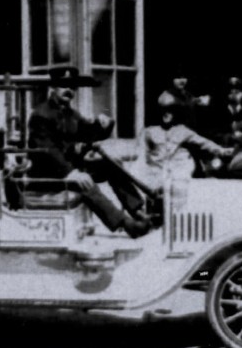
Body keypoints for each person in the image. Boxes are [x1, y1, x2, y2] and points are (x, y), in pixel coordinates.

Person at [25, 67, 149, 236]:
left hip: (70, 169)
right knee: (85, 182)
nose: (69, 90)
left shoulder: (71, 114)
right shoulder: (41, 115)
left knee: (109, 166)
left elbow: (88, 133)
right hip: (48, 176)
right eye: (63, 85)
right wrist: (70, 172)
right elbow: (48, 150)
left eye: (72, 86)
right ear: (53, 87)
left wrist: (103, 125)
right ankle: (125, 224)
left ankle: (137, 211)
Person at [140, 91, 230, 185]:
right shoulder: (149, 131)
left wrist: (222, 150)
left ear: (175, 112)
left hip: (175, 175)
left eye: (170, 110)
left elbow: (203, 143)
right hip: (155, 174)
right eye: (163, 110)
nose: (166, 114)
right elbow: (141, 153)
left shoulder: (182, 131)